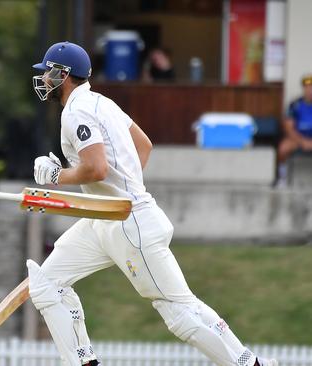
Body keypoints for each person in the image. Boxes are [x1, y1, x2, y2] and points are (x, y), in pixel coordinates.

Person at [29, 41, 277, 366]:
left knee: (179, 311)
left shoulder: (75, 113)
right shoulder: (103, 103)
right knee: (46, 283)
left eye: (48, 72)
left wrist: (56, 176)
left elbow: (97, 168)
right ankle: (83, 361)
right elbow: (144, 146)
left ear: (63, 74)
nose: (44, 78)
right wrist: (122, 184)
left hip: (128, 223)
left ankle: (247, 364)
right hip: (103, 218)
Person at [276, 74, 312, 186]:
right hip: (298, 139)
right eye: (307, 87)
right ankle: (282, 177)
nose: (310, 90)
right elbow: (289, 128)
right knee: (283, 148)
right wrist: (302, 142)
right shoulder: (295, 105)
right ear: (303, 89)